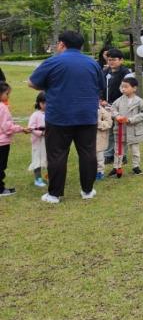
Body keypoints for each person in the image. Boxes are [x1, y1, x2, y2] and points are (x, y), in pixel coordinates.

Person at [28, 30, 104, 204]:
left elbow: (33, 82)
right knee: (87, 153)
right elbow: (100, 86)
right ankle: (87, 190)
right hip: (87, 116)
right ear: (81, 45)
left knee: (57, 154)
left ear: (61, 44)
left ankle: (54, 194)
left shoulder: (53, 61)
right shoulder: (92, 63)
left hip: (59, 117)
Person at [109, 77, 143, 176]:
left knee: (135, 150)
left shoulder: (140, 101)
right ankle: (116, 167)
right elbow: (112, 109)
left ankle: (136, 167)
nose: (123, 89)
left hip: (134, 131)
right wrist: (117, 116)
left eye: (126, 87)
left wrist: (130, 119)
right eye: (122, 87)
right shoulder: (118, 101)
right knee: (118, 150)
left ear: (134, 88)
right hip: (120, 130)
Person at [100, 48, 133, 164]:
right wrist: (102, 99)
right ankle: (108, 154)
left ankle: (122, 155)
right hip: (106, 106)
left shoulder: (126, 73)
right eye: (109, 60)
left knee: (120, 132)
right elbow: (100, 87)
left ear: (121, 60)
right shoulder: (105, 72)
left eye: (114, 60)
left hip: (121, 107)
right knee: (108, 130)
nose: (111, 62)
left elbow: (128, 90)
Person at [1, 82, 32, 196]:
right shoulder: (3, 108)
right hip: (2, 143)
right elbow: (7, 127)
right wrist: (21, 129)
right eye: (7, 94)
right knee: (1, 166)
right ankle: (0, 189)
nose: (8, 96)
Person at [28, 92, 47, 187]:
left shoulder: (51, 113)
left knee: (47, 159)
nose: (46, 105)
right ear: (39, 103)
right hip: (37, 142)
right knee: (37, 160)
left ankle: (48, 176)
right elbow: (31, 127)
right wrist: (41, 133)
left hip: (47, 142)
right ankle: (38, 179)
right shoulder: (35, 115)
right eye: (44, 103)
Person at [96, 103, 114, 181]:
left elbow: (109, 123)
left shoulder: (102, 111)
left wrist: (99, 123)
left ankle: (100, 172)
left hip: (99, 139)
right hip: (86, 139)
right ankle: (89, 172)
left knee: (99, 158)